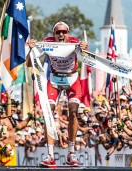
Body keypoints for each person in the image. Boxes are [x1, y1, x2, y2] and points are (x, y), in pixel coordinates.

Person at [26, 21, 88, 167]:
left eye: (64, 32)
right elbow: (29, 63)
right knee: (48, 114)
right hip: (54, 80)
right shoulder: (47, 42)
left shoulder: (75, 42)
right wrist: (31, 50)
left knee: (73, 112)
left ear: (68, 33)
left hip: (72, 79)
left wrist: (84, 49)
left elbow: (86, 59)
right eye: (58, 32)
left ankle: (71, 153)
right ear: (53, 34)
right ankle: (50, 155)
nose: (61, 35)